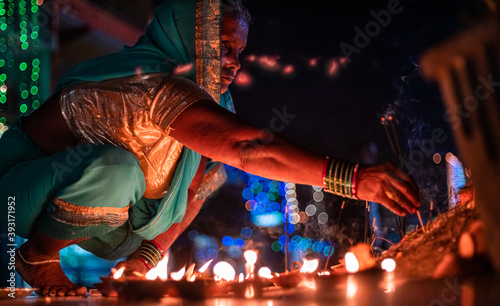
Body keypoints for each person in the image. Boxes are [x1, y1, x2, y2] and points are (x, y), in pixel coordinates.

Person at [0, 0, 420, 297]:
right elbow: (248, 149)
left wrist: (142, 262)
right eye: (223, 46)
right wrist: (355, 179)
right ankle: (37, 256)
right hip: (18, 191)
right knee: (119, 169)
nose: (235, 62)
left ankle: (104, 248)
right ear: (189, 36)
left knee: (171, 185)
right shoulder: (148, 86)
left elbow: (192, 194)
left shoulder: (213, 104)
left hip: (113, 224)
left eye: (240, 51)